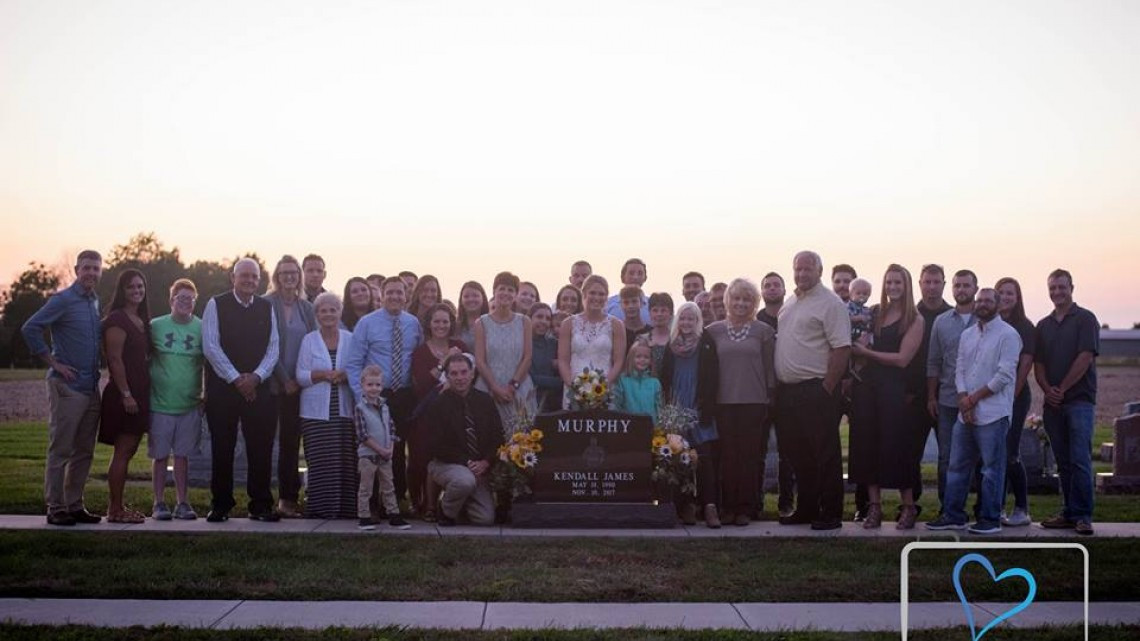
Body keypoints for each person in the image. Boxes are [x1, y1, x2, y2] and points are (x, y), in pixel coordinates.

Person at [926, 288, 1021, 535]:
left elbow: (1004, 375)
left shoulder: (1008, 335)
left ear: (998, 304)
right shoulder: (968, 335)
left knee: (991, 469)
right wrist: (963, 400)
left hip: (993, 413)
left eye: (988, 300)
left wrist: (973, 400)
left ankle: (990, 519)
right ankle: (954, 515)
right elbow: (959, 369)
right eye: (979, 300)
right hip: (965, 412)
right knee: (956, 466)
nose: (982, 304)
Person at [21, 249, 105, 526]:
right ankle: (55, 507)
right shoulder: (63, 300)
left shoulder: (94, 302)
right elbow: (30, 328)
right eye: (87, 268)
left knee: (84, 451)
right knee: (61, 449)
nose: (91, 273)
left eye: (96, 268)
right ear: (77, 270)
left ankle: (74, 505)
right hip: (67, 387)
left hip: (91, 387)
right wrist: (53, 363)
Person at [775, 251, 851, 531]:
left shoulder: (830, 304)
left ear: (819, 271)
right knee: (798, 455)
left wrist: (827, 387)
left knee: (825, 454)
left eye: (808, 269)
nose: (801, 274)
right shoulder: (790, 303)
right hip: (789, 393)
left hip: (816, 389)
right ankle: (806, 508)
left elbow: (842, 348)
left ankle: (831, 512)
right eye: (797, 269)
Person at [201, 258, 281, 522]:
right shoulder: (216, 304)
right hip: (224, 388)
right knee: (223, 447)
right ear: (232, 277)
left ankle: (260, 505)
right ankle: (221, 505)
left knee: (261, 447)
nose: (249, 280)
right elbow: (211, 346)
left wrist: (256, 377)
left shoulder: (265, 306)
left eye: (254, 277)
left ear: (259, 280)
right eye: (244, 275)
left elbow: (273, 348)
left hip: (259, 388)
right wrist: (237, 379)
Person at [849, 265, 925, 529]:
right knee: (866, 446)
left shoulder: (915, 318)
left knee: (897, 448)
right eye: (889, 282)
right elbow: (857, 333)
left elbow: (903, 359)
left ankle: (907, 507)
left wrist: (866, 355)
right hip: (867, 387)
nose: (892, 287)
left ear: (907, 286)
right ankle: (874, 507)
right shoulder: (875, 312)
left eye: (898, 283)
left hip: (894, 388)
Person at [345, 276, 423, 508]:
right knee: (372, 450)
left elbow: (417, 358)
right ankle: (371, 503)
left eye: (399, 293)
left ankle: (396, 500)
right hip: (376, 395)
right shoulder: (367, 323)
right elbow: (354, 363)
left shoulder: (413, 324)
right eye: (390, 292)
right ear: (381, 294)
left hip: (405, 395)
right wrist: (364, 398)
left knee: (397, 449)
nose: (395, 297)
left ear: (406, 295)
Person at [706, 278, 776, 526]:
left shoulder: (764, 332)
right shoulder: (713, 331)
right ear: (727, 301)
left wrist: (770, 397)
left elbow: (770, 369)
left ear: (754, 303)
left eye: (747, 299)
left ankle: (746, 508)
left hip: (754, 402)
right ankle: (727, 507)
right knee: (726, 457)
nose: (741, 303)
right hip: (723, 402)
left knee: (749, 456)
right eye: (736, 298)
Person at [1035, 269, 1099, 535]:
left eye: (1062, 287)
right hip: (1053, 405)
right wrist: (1048, 390)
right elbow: (1037, 364)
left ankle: (1083, 515)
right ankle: (1068, 512)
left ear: (1072, 287)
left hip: (1079, 401)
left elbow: (1085, 357)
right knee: (1062, 461)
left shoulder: (1085, 319)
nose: (1057, 292)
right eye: (1053, 288)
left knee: (1080, 460)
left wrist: (1061, 389)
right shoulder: (1043, 325)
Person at [296, 292, 357, 520]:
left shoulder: (350, 338)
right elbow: (300, 375)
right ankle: (320, 508)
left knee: (344, 460)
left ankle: (346, 509)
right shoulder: (309, 340)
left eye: (333, 310)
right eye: (324, 310)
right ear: (317, 314)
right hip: (315, 412)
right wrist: (321, 374)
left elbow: (358, 368)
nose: (329, 314)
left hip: (344, 410)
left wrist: (345, 375)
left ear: (340, 313)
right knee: (321, 461)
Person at [658, 302, 720, 527]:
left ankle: (710, 506)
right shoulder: (671, 346)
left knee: (704, 459)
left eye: (691, 319)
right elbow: (664, 379)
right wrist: (667, 410)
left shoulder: (706, 343)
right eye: (682, 319)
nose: (686, 323)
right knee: (680, 458)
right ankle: (686, 505)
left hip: (699, 405)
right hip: (677, 407)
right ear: (677, 321)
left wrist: (707, 407)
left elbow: (714, 377)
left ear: (698, 321)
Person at [264, 255, 317, 518]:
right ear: (276, 276)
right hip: (271, 384)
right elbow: (267, 345)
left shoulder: (307, 307)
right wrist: (284, 378)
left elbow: (313, 344)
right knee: (264, 443)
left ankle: (289, 498)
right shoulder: (266, 304)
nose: (289, 277)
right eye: (284, 272)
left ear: (299, 276)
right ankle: (264, 498)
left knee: (290, 443)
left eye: (293, 273)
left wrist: (297, 379)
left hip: (299, 387)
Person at [98, 269, 152, 523]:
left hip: (140, 393)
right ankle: (115, 510)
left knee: (128, 451)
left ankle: (118, 506)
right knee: (123, 451)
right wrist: (126, 394)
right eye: (131, 287)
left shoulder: (140, 319)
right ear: (122, 290)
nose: (137, 291)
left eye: (140, 287)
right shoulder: (117, 319)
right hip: (124, 395)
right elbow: (115, 359)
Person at [426, 353, 505, 526]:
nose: (460, 378)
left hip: (480, 466)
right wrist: (466, 462)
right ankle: (445, 511)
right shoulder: (438, 405)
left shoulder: (485, 401)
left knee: (485, 519)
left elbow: (498, 436)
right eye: (454, 374)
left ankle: (459, 505)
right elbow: (435, 445)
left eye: (463, 372)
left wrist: (486, 461)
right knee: (464, 481)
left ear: (472, 373)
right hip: (448, 464)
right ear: (447, 376)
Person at [148, 278, 203, 521]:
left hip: (189, 403)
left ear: (195, 302)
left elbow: (209, 364)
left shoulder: (202, 328)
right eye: (180, 298)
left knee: (182, 456)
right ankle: (159, 502)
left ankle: (182, 502)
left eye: (189, 299)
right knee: (160, 456)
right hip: (160, 403)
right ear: (171, 300)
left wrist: (205, 394)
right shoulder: (156, 326)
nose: (185, 302)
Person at [926, 269, 979, 512]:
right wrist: (931, 395)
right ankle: (948, 508)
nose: (961, 290)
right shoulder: (942, 321)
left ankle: (984, 508)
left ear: (975, 289)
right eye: (957, 286)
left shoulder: (987, 319)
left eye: (966, 286)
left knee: (980, 458)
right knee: (947, 457)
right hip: (948, 400)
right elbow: (934, 361)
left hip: (981, 400)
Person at [903, 264, 953, 518]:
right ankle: (911, 504)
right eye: (927, 282)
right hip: (912, 397)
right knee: (911, 454)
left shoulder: (954, 316)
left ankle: (949, 506)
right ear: (919, 284)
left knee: (948, 456)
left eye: (936, 282)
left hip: (945, 396)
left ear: (944, 284)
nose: (931, 287)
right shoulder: (909, 315)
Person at [410, 302, 468, 517]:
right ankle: (426, 506)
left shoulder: (460, 345)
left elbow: (471, 374)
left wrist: (451, 384)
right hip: (428, 414)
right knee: (425, 459)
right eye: (437, 321)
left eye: (445, 321)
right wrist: (444, 361)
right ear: (429, 324)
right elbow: (422, 385)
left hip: (457, 413)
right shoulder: (420, 352)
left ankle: (455, 505)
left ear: (451, 323)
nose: (441, 325)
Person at [993, 277, 1034, 526]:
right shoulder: (989, 323)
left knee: (1009, 452)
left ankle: (1021, 508)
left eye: (1010, 293)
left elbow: (1025, 365)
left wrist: (1010, 397)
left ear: (1017, 298)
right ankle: (996, 508)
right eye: (1001, 292)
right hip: (991, 395)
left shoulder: (1025, 327)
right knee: (994, 454)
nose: (1005, 297)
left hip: (1015, 397)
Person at [474, 271, 537, 430]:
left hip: (518, 389)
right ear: (494, 291)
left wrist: (512, 385)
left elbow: (527, 357)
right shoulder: (481, 323)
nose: (506, 293)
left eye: (510, 290)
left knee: (520, 441)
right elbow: (480, 360)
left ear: (515, 295)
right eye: (502, 288)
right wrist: (495, 387)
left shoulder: (524, 321)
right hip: (488, 388)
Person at [756, 271, 794, 518]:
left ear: (784, 289)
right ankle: (755, 501)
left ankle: (786, 502)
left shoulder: (791, 316)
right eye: (767, 285)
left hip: (787, 391)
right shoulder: (755, 320)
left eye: (776, 285)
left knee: (788, 452)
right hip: (759, 393)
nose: (772, 288)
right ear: (762, 292)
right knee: (757, 451)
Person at [354, 365, 410, 530]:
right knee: (366, 487)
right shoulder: (360, 409)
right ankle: (364, 517)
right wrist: (380, 449)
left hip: (385, 456)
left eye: (378, 385)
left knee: (389, 486)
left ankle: (394, 514)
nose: (374, 388)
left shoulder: (385, 407)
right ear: (362, 385)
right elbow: (362, 435)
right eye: (370, 385)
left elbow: (391, 428)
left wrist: (390, 448)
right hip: (368, 456)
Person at [558, 274, 626, 407]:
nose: (597, 297)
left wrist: (603, 387)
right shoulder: (568, 324)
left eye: (602, 294)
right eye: (592, 293)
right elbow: (563, 360)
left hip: (605, 389)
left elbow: (619, 361)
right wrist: (574, 387)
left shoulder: (616, 325)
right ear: (584, 294)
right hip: (574, 388)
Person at [614, 340, 662, 423]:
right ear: (631, 358)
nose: (642, 360)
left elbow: (659, 408)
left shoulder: (655, 383)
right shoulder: (622, 380)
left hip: (650, 428)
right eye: (638, 356)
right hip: (627, 427)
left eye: (646, 357)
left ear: (651, 360)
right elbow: (617, 405)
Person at [528, 303, 562, 413]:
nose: (543, 321)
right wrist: (561, 382)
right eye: (539, 317)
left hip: (553, 404)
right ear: (529, 318)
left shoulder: (555, 344)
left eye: (548, 318)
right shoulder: (522, 343)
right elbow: (529, 378)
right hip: (528, 401)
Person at [604, 258, 650, 324]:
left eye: (640, 273)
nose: (635, 277)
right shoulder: (608, 304)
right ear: (623, 277)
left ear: (645, 278)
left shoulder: (652, 306)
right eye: (631, 273)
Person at [455, 281, 489, 349]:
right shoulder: (455, 327)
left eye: (475, 296)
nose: (471, 299)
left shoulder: (491, 323)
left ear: (483, 298)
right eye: (466, 296)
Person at [646, 292, 673, 374]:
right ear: (649, 313)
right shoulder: (642, 340)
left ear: (671, 314)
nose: (659, 314)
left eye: (663, 310)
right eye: (655, 310)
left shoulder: (676, 338)